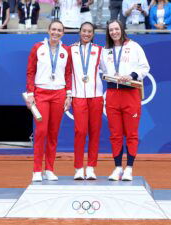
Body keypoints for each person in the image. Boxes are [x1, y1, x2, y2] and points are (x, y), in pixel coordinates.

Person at [100, 20, 150, 181]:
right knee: (115, 134)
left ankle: (129, 168)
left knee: (131, 133)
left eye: (116, 29)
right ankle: (117, 168)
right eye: (111, 30)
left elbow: (144, 67)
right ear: (108, 32)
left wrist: (131, 76)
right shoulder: (105, 51)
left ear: (122, 29)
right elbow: (100, 69)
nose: (114, 32)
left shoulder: (134, 46)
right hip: (112, 94)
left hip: (130, 94)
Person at [25, 20, 72, 182]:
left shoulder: (66, 51)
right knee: (41, 132)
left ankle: (49, 169)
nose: (56, 32)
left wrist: (69, 95)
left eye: (59, 30)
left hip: (59, 94)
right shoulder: (37, 48)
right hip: (41, 93)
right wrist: (31, 93)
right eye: (53, 29)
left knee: (53, 133)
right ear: (48, 30)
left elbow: (68, 74)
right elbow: (30, 72)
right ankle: (37, 170)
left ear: (63, 33)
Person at [70, 22, 103, 180]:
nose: (86, 34)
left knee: (95, 132)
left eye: (90, 32)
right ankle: (78, 167)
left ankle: (90, 167)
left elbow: (109, 70)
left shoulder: (99, 50)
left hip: (96, 96)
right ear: (79, 32)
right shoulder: (71, 49)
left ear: (93, 34)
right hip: (78, 96)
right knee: (80, 132)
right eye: (84, 31)